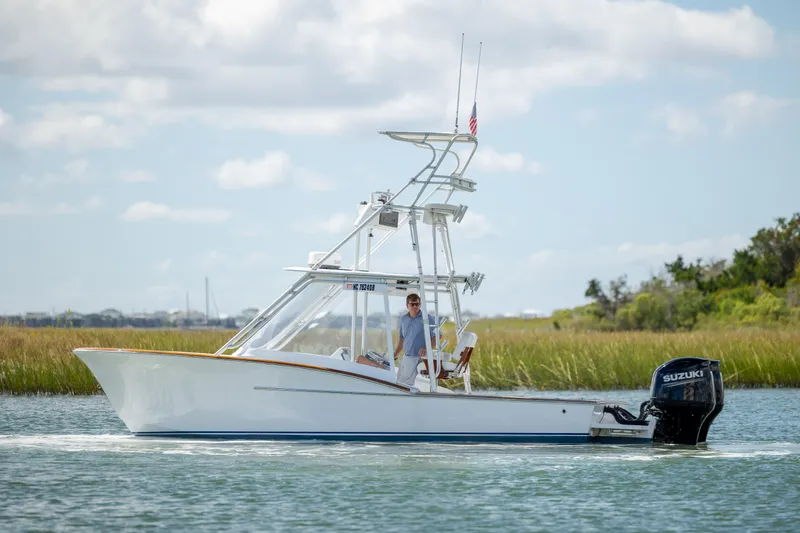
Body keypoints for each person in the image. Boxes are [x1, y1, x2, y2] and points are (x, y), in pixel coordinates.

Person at [394, 293, 437, 387]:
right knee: (398, 381)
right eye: (412, 304)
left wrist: (426, 348)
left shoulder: (427, 318)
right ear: (407, 306)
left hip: (419, 357)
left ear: (420, 305)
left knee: (404, 385)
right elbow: (402, 339)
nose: (415, 306)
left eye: (417, 304)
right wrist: (395, 355)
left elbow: (437, 336)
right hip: (407, 356)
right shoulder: (403, 319)